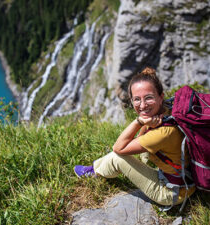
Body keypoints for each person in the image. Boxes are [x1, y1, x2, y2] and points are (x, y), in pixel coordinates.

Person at [74, 67, 196, 207]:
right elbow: (142, 135)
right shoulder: (167, 109)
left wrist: (138, 121)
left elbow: (118, 148)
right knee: (139, 150)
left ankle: (93, 171)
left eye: (148, 98)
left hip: (172, 192)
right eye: (137, 99)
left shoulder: (163, 133)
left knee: (118, 158)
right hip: (184, 178)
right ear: (131, 100)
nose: (143, 105)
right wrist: (145, 121)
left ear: (160, 97)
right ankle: (97, 167)